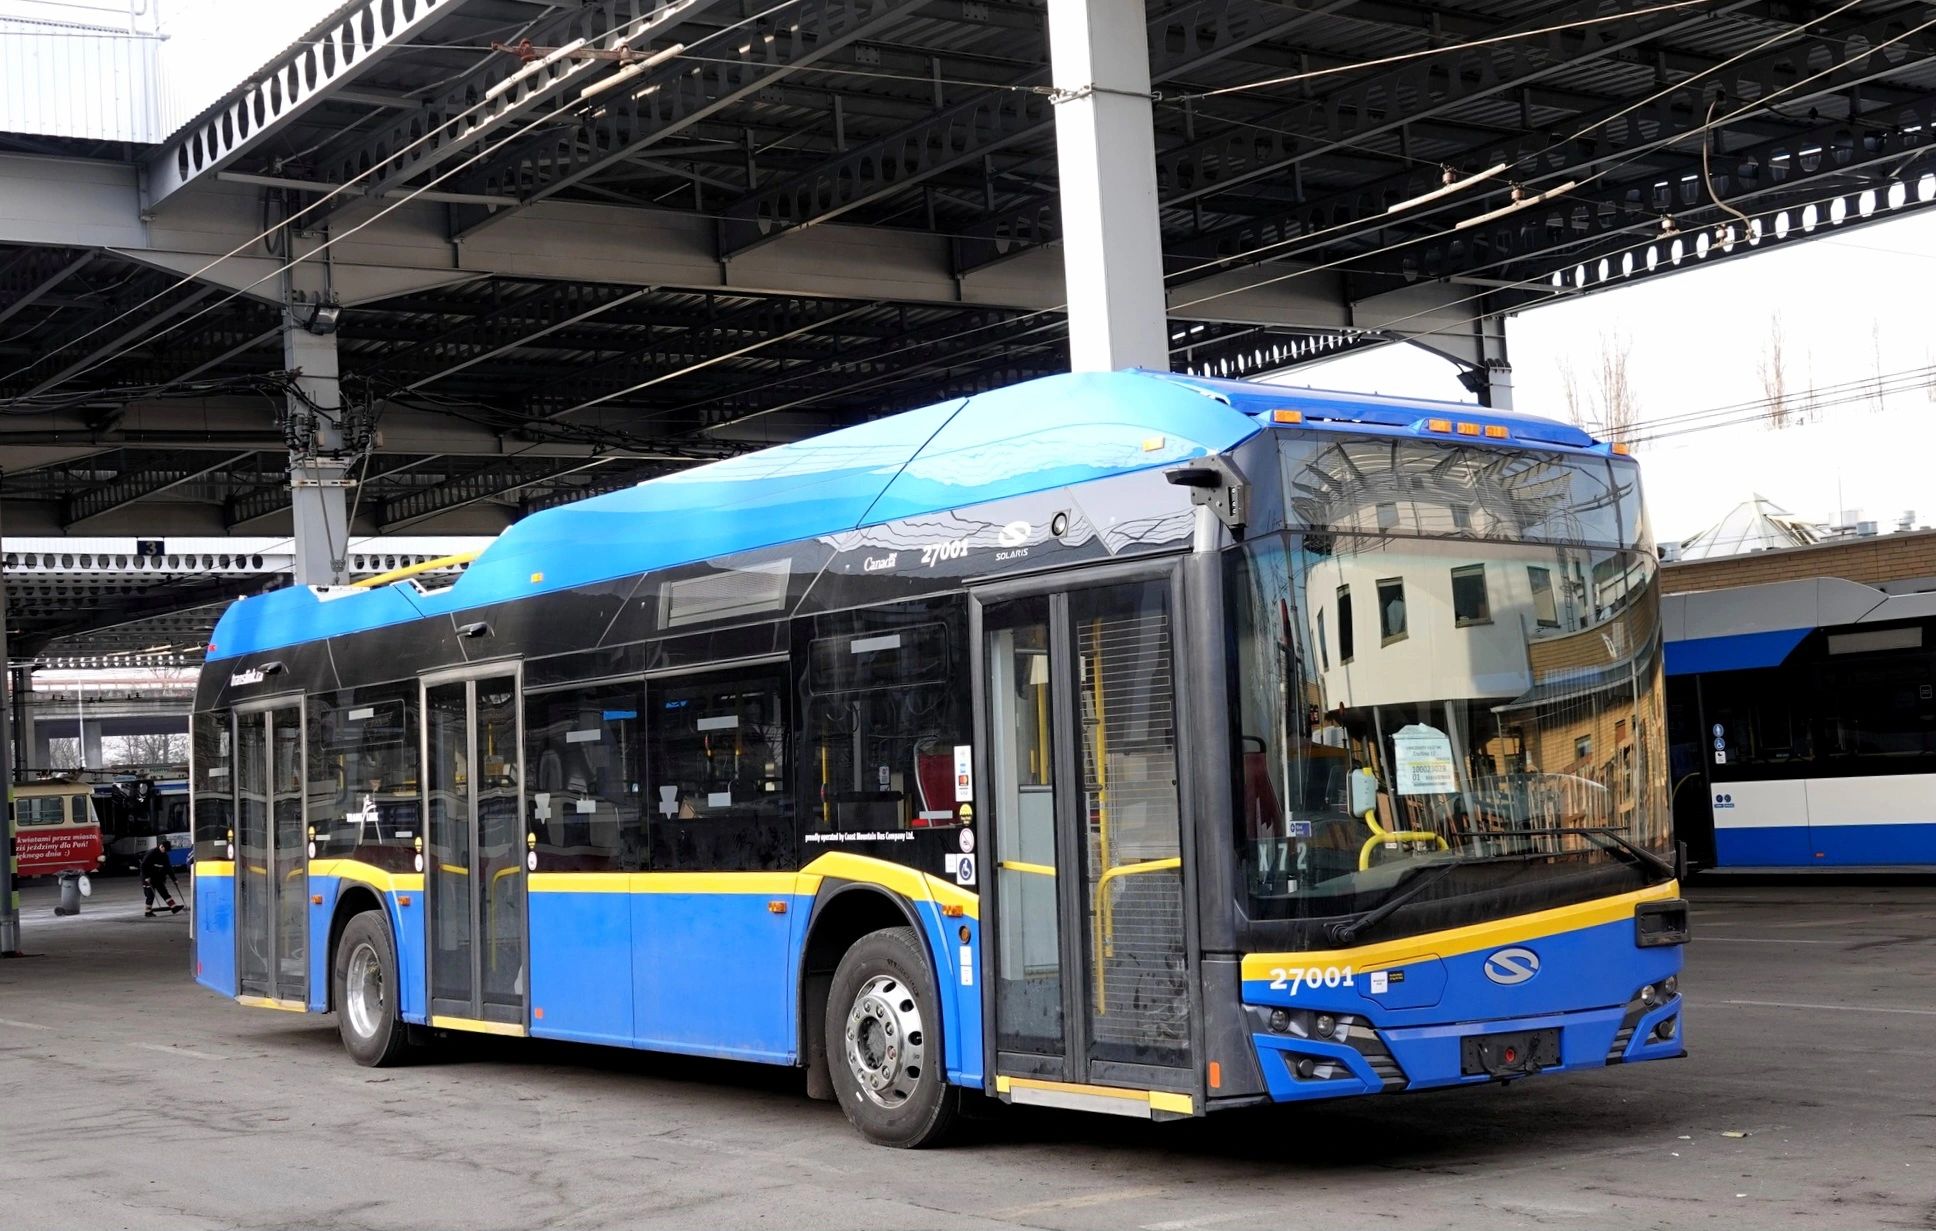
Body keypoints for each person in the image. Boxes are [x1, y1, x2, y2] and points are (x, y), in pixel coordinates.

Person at [140, 839, 184, 917]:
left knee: (164, 892)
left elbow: (168, 868)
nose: (165, 851)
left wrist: (174, 879)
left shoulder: (164, 855)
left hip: (158, 877)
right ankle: (148, 911)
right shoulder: (151, 853)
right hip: (148, 877)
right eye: (165, 850)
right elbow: (143, 866)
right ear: (161, 846)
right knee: (150, 895)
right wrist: (146, 877)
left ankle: (173, 907)